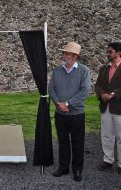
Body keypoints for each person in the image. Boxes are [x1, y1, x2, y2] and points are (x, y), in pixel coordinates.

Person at [49, 42, 91, 181]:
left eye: (67, 53)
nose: (64, 55)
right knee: (62, 142)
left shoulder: (84, 71)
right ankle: (63, 168)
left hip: (77, 115)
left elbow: (85, 91)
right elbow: (52, 89)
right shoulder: (57, 71)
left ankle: (77, 170)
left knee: (78, 143)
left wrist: (67, 103)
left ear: (75, 56)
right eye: (64, 53)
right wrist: (59, 105)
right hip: (60, 114)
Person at [95, 42, 121, 175]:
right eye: (107, 51)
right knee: (106, 136)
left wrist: (113, 94)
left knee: (120, 136)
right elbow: (98, 85)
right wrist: (101, 94)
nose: (107, 54)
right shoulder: (103, 68)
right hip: (105, 107)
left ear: (118, 53)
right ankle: (108, 160)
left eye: (110, 52)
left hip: (119, 108)